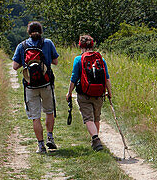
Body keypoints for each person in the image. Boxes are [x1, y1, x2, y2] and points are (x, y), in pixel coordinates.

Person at [12, 21, 59, 153]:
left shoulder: (22, 46)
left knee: (35, 116)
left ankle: (40, 145)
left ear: (28, 32)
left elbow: (15, 66)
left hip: (30, 86)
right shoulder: (48, 43)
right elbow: (55, 61)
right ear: (41, 31)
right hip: (46, 83)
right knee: (49, 111)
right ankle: (50, 137)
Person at [67, 35, 112, 151]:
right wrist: (109, 92)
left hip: (84, 94)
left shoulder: (78, 59)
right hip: (99, 94)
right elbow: (107, 78)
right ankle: (96, 141)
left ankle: (96, 139)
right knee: (96, 118)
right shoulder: (101, 59)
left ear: (80, 46)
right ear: (92, 45)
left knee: (88, 118)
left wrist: (69, 93)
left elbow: (74, 78)